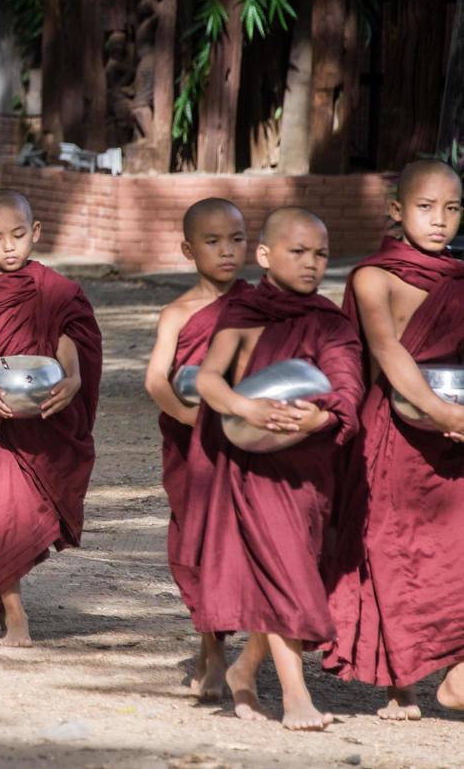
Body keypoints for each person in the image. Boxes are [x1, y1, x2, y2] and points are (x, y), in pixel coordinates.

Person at [191, 206, 363, 731]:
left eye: (321, 254)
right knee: (287, 571)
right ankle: (297, 697)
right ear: (265, 255)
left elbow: (348, 385)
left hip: (310, 470)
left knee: (289, 572)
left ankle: (245, 670)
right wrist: (244, 408)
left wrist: (322, 414)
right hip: (255, 468)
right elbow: (209, 380)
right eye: (298, 252)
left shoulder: (330, 321)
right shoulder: (246, 312)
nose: (312, 264)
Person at [325, 160, 464, 719]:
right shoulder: (372, 276)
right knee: (392, 551)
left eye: (452, 209)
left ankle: (455, 675)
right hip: (396, 432)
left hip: (454, 430)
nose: (440, 221)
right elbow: (386, 352)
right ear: (397, 211)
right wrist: (438, 411)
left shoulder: (459, 278)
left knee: (454, 552)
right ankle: (399, 684)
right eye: (426, 208)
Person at [0, 188, 103, 646]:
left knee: (28, 511)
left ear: (35, 232)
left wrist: (74, 377)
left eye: (18, 235)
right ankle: (16, 612)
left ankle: (2, 588)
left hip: (39, 411)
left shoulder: (56, 287)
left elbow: (67, 337)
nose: (8, 247)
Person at [142, 198, 249, 698]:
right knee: (194, 545)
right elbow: (157, 380)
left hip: (250, 445)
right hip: (191, 443)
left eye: (236, 239)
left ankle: (235, 652)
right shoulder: (178, 312)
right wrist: (189, 418)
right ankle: (213, 648)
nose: (227, 251)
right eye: (213, 242)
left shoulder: (262, 305)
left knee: (242, 544)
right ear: (189, 249)